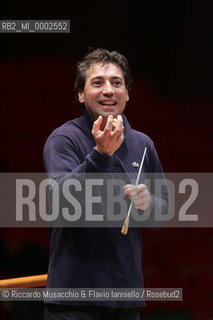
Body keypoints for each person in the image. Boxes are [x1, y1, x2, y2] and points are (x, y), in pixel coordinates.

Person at [43, 48, 168, 320]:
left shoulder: (143, 144)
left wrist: (148, 204)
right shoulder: (64, 140)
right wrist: (100, 156)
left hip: (125, 300)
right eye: (97, 82)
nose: (109, 90)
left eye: (117, 83)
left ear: (128, 93)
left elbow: (163, 212)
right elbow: (63, 203)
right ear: (80, 93)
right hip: (74, 302)